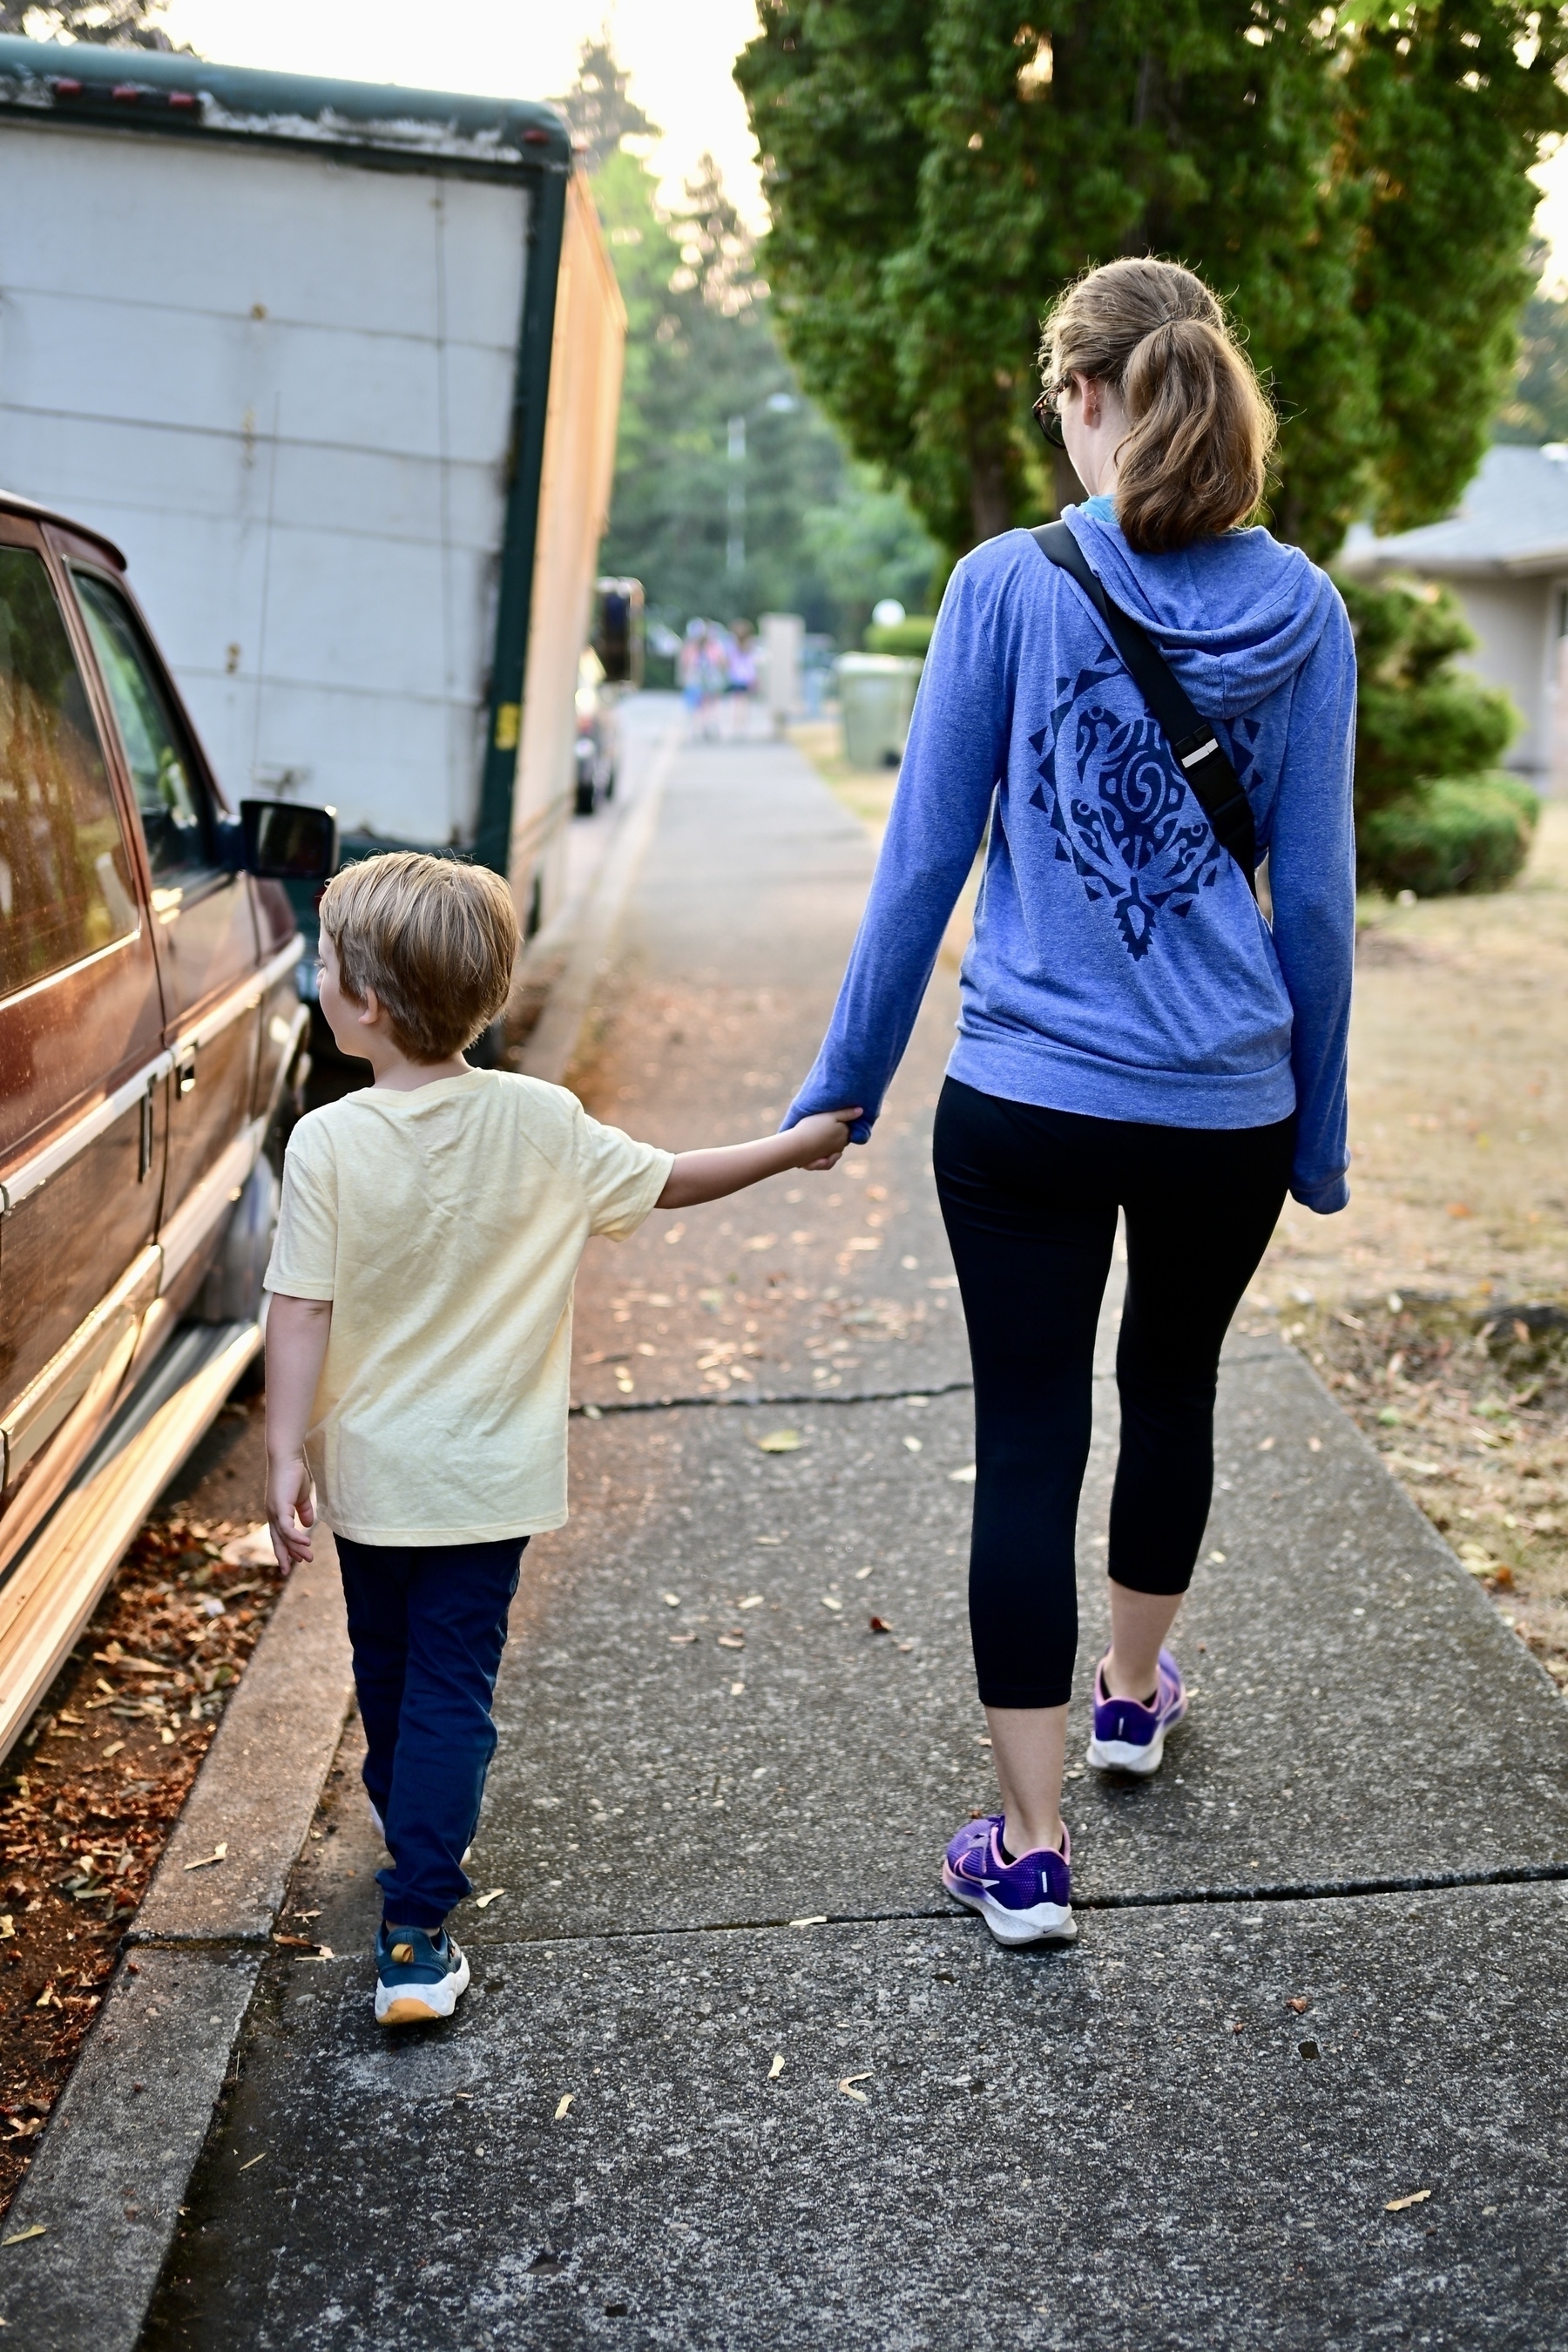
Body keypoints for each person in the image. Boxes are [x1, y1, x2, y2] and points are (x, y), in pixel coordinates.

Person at [781, 257, 1355, 1947]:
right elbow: (1314, 899)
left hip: (1025, 1100)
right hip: (1223, 1107)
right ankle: (1126, 1692)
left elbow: (921, 867)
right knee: (1170, 1388)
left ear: (1090, 392)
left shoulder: (1003, 586)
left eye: (1057, 401)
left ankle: (1030, 1852)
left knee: (1028, 1443)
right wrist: (1316, 1131)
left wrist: (845, 1088)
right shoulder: (1301, 609)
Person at [264, 852, 855, 2024]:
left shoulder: (331, 1144)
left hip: (376, 1475)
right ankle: (419, 1898)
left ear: (367, 1004)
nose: (315, 978)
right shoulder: (541, 1123)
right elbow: (674, 1179)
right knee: (447, 1685)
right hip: (491, 1479)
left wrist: (285, 1453)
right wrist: (793, 1146)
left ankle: (414, 1902)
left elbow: (300, 1311)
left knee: (388, 1673)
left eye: (325, 964)